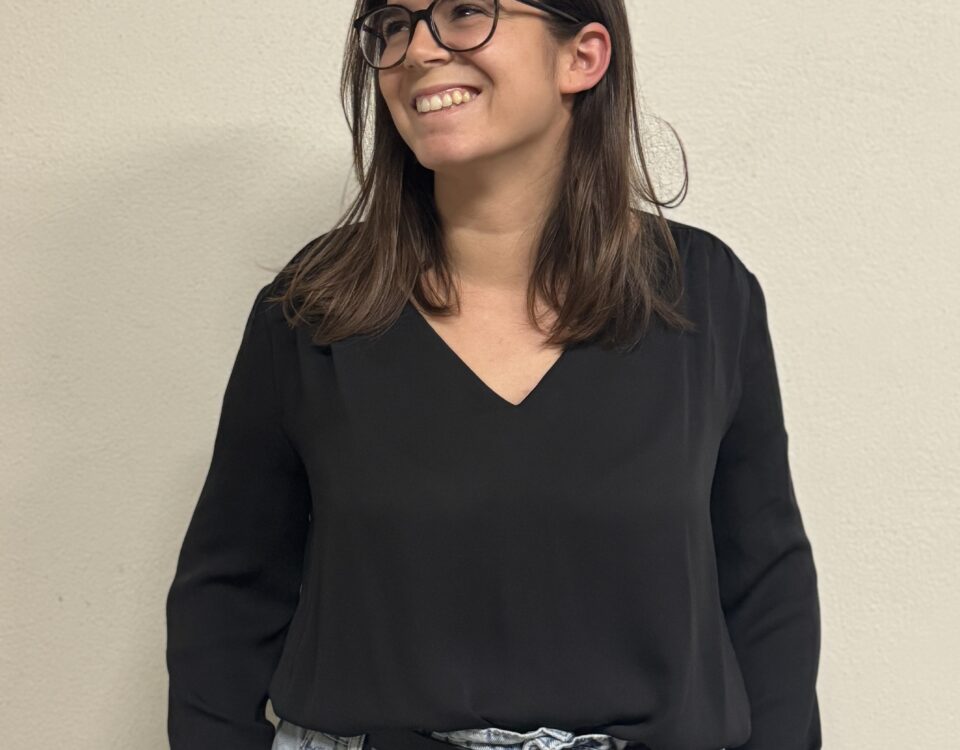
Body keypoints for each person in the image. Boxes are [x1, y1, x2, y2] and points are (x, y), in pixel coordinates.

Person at [165, 1, 822, 749]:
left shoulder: (703, 295)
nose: (417, 50)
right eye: (393, 26)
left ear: (583, 56)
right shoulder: (313, 308)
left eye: (466, 11)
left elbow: (766, 583)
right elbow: (230, 593)